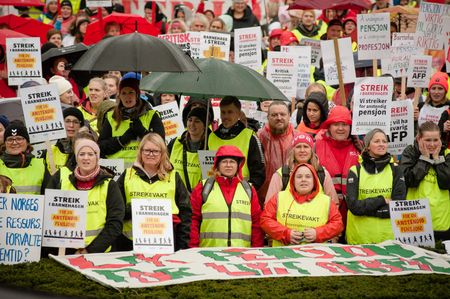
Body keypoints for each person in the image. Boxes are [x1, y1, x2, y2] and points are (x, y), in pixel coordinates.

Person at [46, 137, 124, 254]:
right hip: (66, 253)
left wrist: (90, 250)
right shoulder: (61, 180)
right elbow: (49, 214)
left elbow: (115, 223)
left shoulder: (109, 185)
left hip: (99, 254)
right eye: (81, 154)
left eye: (90, 154)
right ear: (76, 158)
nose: (86, 158)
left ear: (97, 158)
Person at [116, 133, 191, 251]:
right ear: (140, 152)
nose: (151, 154)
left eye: (155, 151)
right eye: (147, 150)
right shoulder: (127, 175)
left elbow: (186, 214)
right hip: (130, 244)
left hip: (166, 245)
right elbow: (115, 210)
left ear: (162, 153)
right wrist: (135, 209)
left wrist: (182, 246)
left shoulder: (173, 177)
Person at [189, 145, 264, 247]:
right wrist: (193, 248)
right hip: (207, 254)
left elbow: (256, 223)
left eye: (232, 162)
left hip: (242, 255)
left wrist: (256, 250)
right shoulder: (203, 187)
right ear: (217, 165)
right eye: (224, 161)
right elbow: (193, 220)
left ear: (238, 165)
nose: (228, 165)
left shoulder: (249, 190)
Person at [346, 129, 407, 244]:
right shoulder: (355, 170)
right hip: (359, 238)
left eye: (384, 141)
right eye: (377, 141)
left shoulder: (396, 169)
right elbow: (354, 206)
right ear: (368, 146)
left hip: (389, 239)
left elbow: (399, 206)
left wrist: (367, 209)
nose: (381, 144)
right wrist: (382, 200)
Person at [261, 163, 343, 246]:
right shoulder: (278, 198)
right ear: (293, 180)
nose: (303, 180)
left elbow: (338, 224)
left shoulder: (326, 201)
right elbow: (265, 220)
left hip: (316, 255)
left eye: (308, 176)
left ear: (314, 180)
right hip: (283, 255)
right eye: (299, 176)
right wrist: (286, 234)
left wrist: (318, 233)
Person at [99, 76, 165, 168]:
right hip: (116, 172)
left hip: (142, 170)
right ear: (119, 96)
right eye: (124, 93)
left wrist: (143, 132)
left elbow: (161, 145)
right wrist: (122, 139)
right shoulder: (111, 116)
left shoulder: (152, 115)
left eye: (131, 92)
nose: (127, 96)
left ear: (137, 94)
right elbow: (101, 148)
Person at [400, 122, 450, 241]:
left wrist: (437, 159)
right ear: (418, 139)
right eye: (428, 140)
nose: (432, 144)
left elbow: (446, 183)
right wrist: (425, 159)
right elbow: (408, 181)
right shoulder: (410, 153)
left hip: (441, 220)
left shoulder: (447, 154)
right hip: (415, 220)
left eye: (435, 140)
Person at [315, 106, 361, 232]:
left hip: (354, 217)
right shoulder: (316, 146)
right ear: (329, 126)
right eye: (336, 124)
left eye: (344, 124)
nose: (341, 128)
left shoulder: (360, 148)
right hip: (324, 215)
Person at [208, 96, 265, 191]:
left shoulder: (250, 136)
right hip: (215, 193)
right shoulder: (211, 137)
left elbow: (259, 173)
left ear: (238, 113)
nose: (225, 116)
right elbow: (207, 169)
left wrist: (247, 193)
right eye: (223, 112)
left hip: (241, 194)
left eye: (230, 112)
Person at [265, 133, 338, 205]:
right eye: (298, 147)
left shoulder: (322, 173)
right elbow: (269, 204)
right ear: (293, 150)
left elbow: (334, 204)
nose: (302, 150)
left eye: (306, 147)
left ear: (311, 150)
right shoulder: (282, 174)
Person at [257, 101, 297, 201]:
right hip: (263, 196)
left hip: (292, 197)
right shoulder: (258, 137)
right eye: (274, 115)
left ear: (289, 116)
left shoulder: (299, 138)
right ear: (268, 117)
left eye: (282, 114)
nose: (279, 118)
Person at [0, 121, 50, 195]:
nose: (14, 143)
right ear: (5, 143)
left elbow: (49, 197)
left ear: (27, 142)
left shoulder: (40, 165)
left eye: (19, 139)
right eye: (10, 139)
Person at [168, 107, 211, 192]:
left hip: (198, 199)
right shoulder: (175, 143)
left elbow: (209, 179)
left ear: (205, 125)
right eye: (190, 120)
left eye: (197, 121)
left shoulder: (209, 147)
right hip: (175, 195)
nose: (192, 124)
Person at [43, 108, 84, 174]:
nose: (71, 125)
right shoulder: (49, 151)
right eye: (67, 121)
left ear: (80, 126)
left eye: (75, 122)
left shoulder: (85, 150)